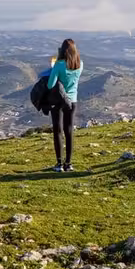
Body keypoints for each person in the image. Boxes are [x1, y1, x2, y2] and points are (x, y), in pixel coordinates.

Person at [47, 38, 83, 172]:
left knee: (58, 131)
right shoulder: (80, 64)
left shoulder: (59, 65)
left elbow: (51, 84)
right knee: (69, 131)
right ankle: (69, 163)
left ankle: (59, 164)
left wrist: (53, 69)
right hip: (73, 101)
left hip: (58, 102)